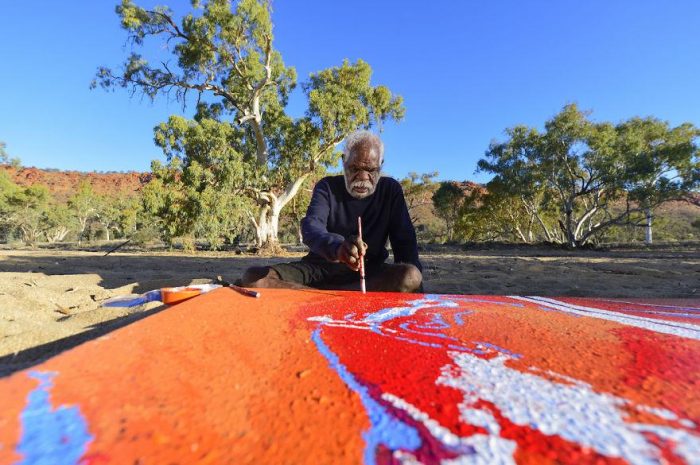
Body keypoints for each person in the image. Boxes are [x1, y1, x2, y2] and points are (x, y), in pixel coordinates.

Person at [240, 130, 423, 293]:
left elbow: (405, 242)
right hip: (318, 269)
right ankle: (335, 297)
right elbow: (312, 227)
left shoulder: (390, 190)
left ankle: (318, 296)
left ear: (380, 165)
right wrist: (338, 248)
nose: (363, 178)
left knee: (411, 276)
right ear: (344, 162)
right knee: (254, 277)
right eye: (355, 168)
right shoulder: (327, 187)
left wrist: (418, 293)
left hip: (370, 274)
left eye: (371, 170)